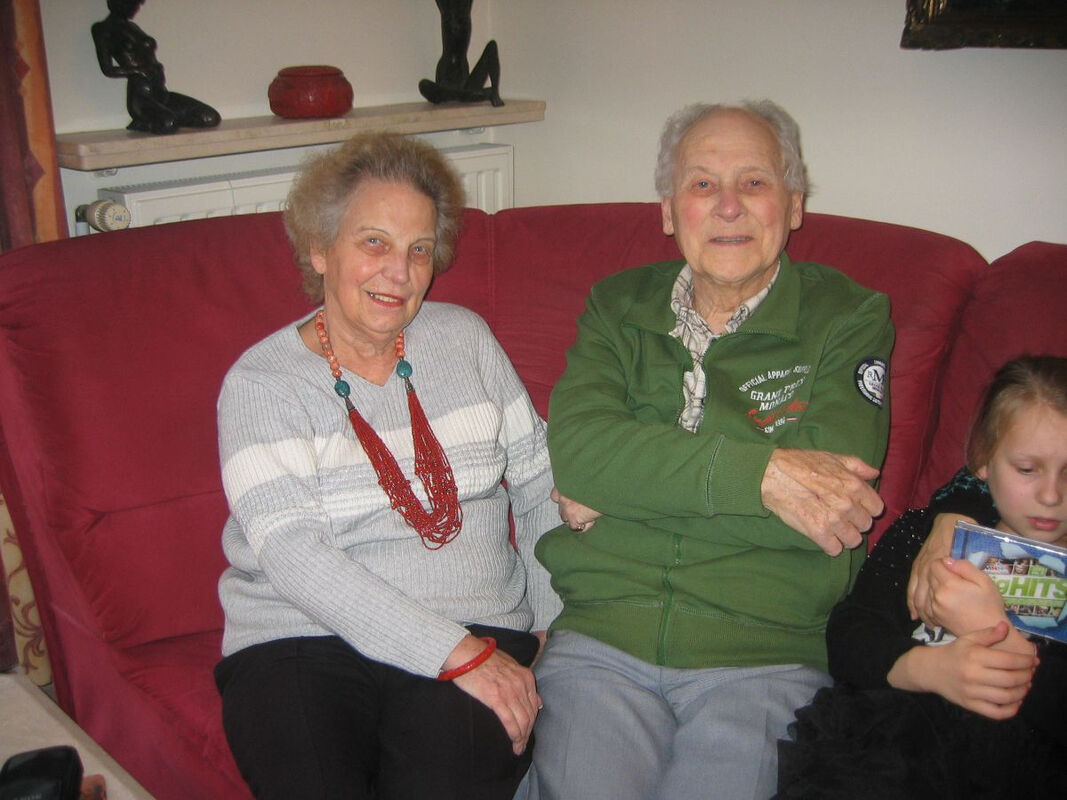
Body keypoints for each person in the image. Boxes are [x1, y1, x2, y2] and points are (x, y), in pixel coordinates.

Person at [529, 101, 895, 800]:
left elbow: (830, 511)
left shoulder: (848, 317)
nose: (728, 206)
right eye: (702, 184)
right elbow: (578, 454)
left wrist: (624, 491)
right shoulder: (615, 306)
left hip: (766, 656)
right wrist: (766, 476)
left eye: (754, 182)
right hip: (603, 643)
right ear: (669, 211)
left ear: (793, 204)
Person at [213, 132, 560, 800]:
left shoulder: (465, 340)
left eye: (418, 249)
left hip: (475, 619)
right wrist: (451, 653)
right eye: (374, 242)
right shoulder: (262, 384)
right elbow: (291, 553)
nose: (398, 273)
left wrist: (548, 624)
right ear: (320, 248)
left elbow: (540, 478)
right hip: (299, 635)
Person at [778, 355, 1067, 799]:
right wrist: (929, 669)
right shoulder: (927, 536)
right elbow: (852, 634)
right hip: (893, 743)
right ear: (983, 462)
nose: (1051, 495)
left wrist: (996, 634)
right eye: (1027, 469)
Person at [91, 0, 220, 134]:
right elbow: (108, 69)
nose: (135, 8)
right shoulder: (102, 29)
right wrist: (139, 71)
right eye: (131, 4)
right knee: (168, 124)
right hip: (142, 95)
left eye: (137, 5)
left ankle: (163, 117)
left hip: (161, 92)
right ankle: (149, 120)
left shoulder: (133, 27)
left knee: (210, 118)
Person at [418, 0, 503, 107]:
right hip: (446, 77)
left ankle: (488, 93)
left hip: (466, 82)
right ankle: (472, 95)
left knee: (492, 46)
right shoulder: (447, 7)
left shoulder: (465, 5)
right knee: (424, 85)